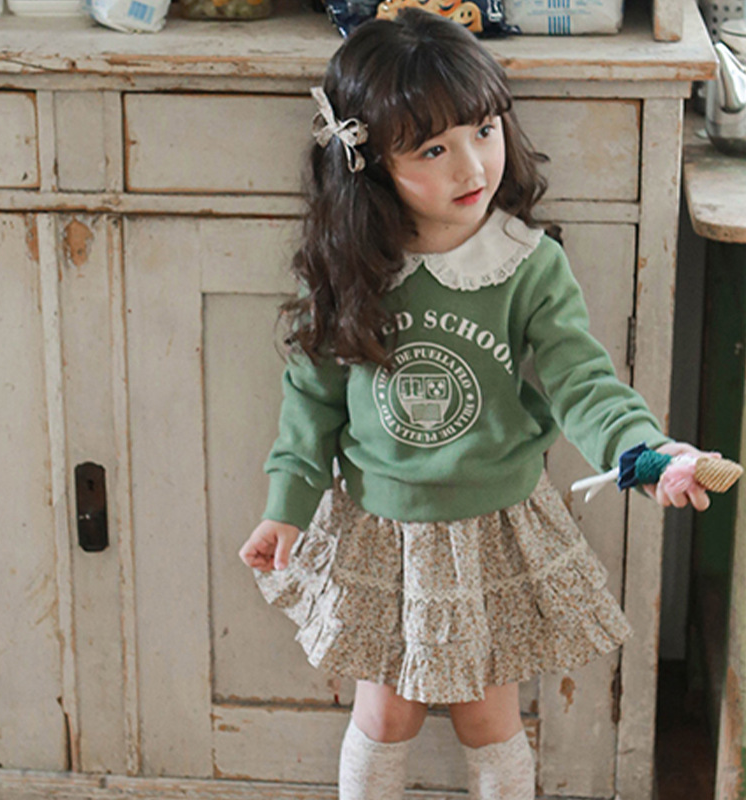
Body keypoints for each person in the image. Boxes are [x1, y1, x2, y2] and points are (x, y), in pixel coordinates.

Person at [238, 9, 712, 800]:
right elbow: (312, 399)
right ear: (369, 162)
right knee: (384, 714)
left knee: (488, 718)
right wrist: (285, 506)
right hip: (382, 529)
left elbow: (581, 381)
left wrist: (646, 451)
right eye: (433, 149)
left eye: (484, 131)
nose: (472, 166)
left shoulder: (527, 265)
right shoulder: (353, 265)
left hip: (493, 528)